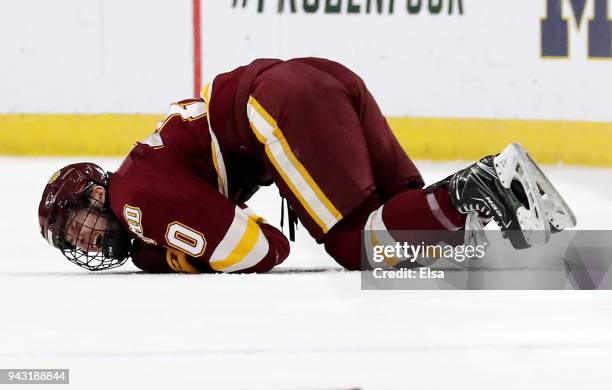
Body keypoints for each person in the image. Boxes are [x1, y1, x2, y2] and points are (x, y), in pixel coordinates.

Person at [38, 57, 575, 273]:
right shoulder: (144, 172)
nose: (81, 241)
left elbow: (262, 250)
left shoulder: (134, 198)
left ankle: (482, 187)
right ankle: (503, 208)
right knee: (394, 219)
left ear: (94, 194)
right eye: (70, 239)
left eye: (74, 224)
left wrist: (179, 259)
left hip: (276, 108)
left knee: (355, 245)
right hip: (313, 80)